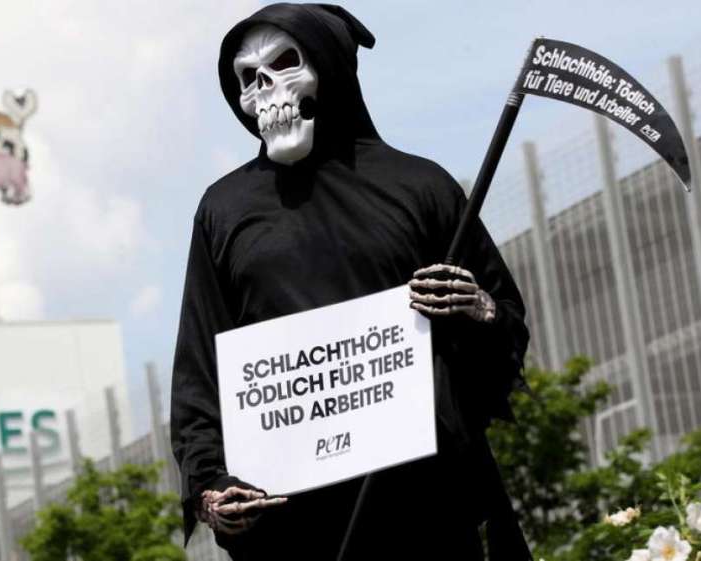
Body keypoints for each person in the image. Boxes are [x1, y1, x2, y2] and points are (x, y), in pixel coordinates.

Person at [170, 3, 532, 560]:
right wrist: (210, 485)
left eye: (284, 64)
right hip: (297, 528)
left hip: (426, 508)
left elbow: (504, 326)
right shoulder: (223, 211)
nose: (265, 89)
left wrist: (478, 309)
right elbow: (201, 367)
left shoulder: (421, 187)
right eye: (248, 78)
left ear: (330, 67)